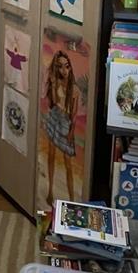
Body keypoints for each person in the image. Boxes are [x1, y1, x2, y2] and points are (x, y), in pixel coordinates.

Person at [42, 49, 80, 204]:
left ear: (70, 67)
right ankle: (50, 191)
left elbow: (74, 114)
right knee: (51, 154)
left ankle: (72, 200)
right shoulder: (55, 82)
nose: (64, 70)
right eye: (60, 66)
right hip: (54, 116)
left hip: (65, 121)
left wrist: (71, 131)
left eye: (66, 66)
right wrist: (53, 85)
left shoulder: (74, 89)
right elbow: (53, 102)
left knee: (67, 162)